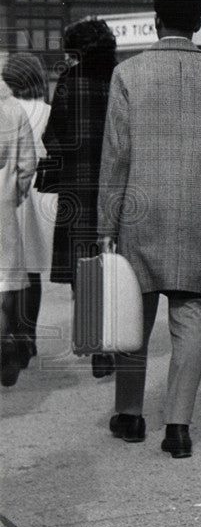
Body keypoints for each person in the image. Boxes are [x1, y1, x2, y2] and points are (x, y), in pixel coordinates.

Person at [97, 0, 201, 458]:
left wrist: (105, 230)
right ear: (199, 23)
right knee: (191, 321)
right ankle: (178, 427)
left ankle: (130, 416)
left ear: (156, 19)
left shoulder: (128, 74)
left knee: (133, 318)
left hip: (139, 215)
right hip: (194, 215)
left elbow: (116, 157)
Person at [42, 19, 118, 379]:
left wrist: (68, 161)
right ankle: (114, 341)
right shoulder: (121, 78)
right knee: (115, 267)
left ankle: (94, 344)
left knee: (83, 269)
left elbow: (52, 135)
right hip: (117, 187)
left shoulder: (70, 82)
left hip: (78, 187)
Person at [2, 54, 57, 374]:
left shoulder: (7, 110)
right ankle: (27, 337)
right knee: (33, 274)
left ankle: (7, 335)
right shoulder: (48, 112)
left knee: (9, 274)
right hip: (40, 198)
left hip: (9, 194)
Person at [0, 81, 37, 387]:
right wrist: (16, 193)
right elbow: (27, 164)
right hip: (3, 207)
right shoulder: (13, 109)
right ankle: (6, 339)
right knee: (5, 281)